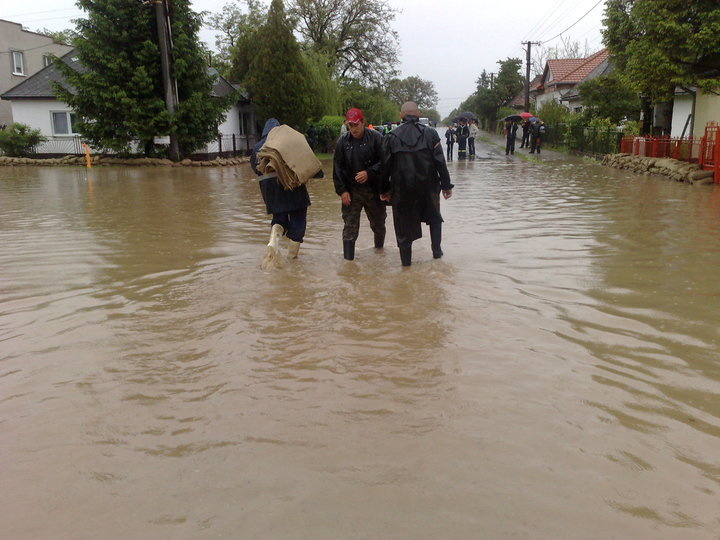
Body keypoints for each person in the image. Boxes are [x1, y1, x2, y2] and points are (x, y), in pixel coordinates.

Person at [381, 101, 454, 267]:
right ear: (418, 114)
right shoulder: (431, 134)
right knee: (434, 218)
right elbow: (440, 162)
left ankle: (406, 263)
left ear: (401, 115)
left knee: (403, 225)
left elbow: (385, 167)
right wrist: (446, 186)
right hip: (428, 188)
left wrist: (384, 190)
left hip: (402, 190)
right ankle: (437, 253)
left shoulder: (391, 137)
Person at [251, 118, 321, 268]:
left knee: (279, 217)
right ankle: (291, 259)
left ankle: (274, 236)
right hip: (291, 186)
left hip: (269, 189)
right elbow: (306, 161)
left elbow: (255, 168)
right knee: (298, 217)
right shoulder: (289, 140)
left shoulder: (258, 146)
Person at [333, 107, 387, 261]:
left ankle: (379, 252)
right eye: (350, 125)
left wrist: (369, 172)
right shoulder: (342, 142)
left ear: (363, 122)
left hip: (373, 190)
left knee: (378, 224)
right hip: (352, 191)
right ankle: (348, 263)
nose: (354, 129)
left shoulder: (377, 138)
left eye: (356, 124)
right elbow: (337, 169)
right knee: (349, 227)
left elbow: (386, 162)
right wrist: (342, 191)